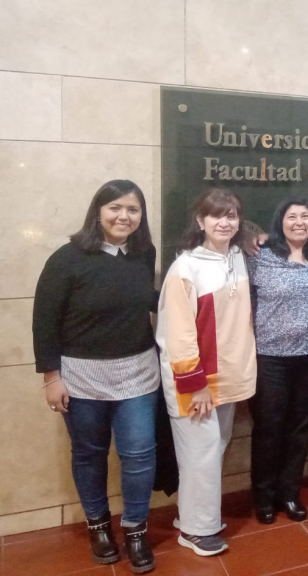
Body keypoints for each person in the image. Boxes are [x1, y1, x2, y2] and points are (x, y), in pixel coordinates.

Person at [32, 179, 159, 574]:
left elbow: (146, 302)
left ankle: (136, 529)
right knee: (89, 454)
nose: (124, 216)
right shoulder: (67, 259)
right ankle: (99, 526)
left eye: (133, 209)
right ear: (98, 212)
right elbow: (44, 322)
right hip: (82, 377)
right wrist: (52, 377)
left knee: (138, 454)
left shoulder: (142, 254)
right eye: (115, 208)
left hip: (138, 372)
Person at [157, 188, 256, 557]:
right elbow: (177, 335)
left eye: (231, 215)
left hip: (229, 378)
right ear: (200, 221)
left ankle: (192, 517)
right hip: (195, 383)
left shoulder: (237, 257)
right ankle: (198, 531)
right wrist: (194, 385)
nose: (224, 222)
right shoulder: (186, 267)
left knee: (212, 450)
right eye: (216, 215)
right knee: (200, 453)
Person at [246, 198, 308, 524]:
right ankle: (264, 497)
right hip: (271, 359)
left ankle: (290, 493)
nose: (299, 222)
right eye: (291, 216)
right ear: (279, 222)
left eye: (305, 216)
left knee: (300, 429)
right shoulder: (260, 255)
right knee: (269, 429)